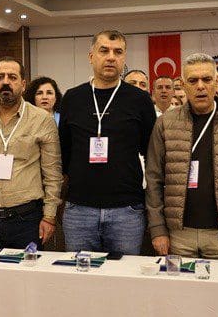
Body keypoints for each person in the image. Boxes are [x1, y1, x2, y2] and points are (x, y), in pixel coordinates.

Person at [146, 53, 218, 260]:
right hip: (177, 235)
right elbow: (154, 178)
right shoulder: (164, 123)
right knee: (177, 283)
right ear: (183, 85)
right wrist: (157, 228)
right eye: (193, 81)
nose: (200, 86)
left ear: (216, 83)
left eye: (206, 79)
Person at [59, 31, 156, 254]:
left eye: (118, 52)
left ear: (124, 58)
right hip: (79, 209)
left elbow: (151, 153)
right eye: (104, 51)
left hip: (126, 210)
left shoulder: (140, 99)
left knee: (125, 274)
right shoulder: (72, 98)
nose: (111, 57)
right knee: (79, 273)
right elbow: (64, 151)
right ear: (91, 56)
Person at [0, 59, 63, 250]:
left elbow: (53, 174)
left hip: (26, 220)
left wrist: (49, 216)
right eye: (0, 77)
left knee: (27, 270)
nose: (6, 82)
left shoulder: (41, 120)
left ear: (23, 84)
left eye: (12, 77)